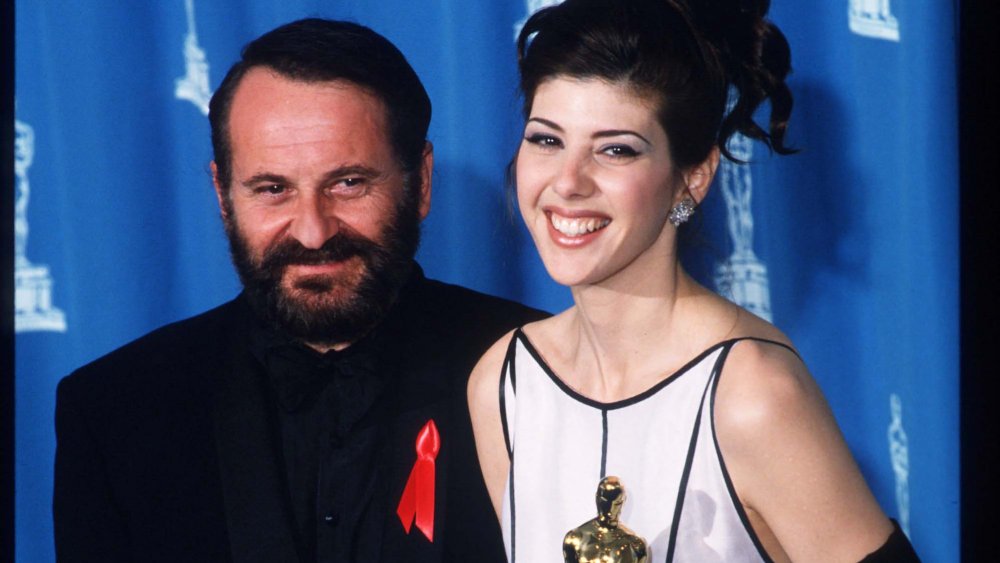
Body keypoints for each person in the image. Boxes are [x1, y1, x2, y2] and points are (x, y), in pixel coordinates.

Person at [53, 18, 543, 562]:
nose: (313, 231)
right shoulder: (114, 410)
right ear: (222, 194)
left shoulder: (541, 375)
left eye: (348, 183)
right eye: (272, 189)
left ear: (420, 182)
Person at [468, 0, 919, 561]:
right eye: (547, 139)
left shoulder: (753, 395)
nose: (568, 182)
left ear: (693, 177)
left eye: (615, 149)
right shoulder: (504, 384)